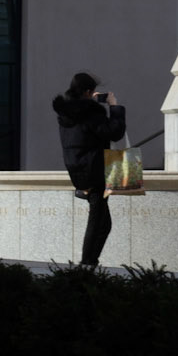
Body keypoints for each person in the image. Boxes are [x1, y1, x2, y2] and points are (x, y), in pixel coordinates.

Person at [53, 71, 126, 267]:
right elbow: (114, 132)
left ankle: (90, 261)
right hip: (96, 171)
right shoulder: (90, 113)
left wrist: (90, 104)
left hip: (79, 171)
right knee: (98, 220)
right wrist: (114, 107)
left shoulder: (67, 113)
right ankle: (87, 264)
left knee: (103, 222)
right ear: (88, 92)